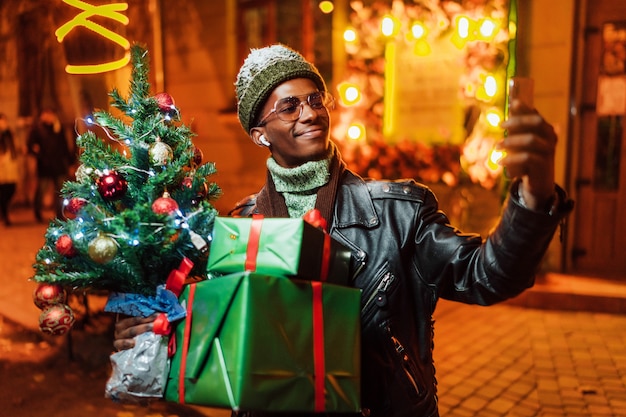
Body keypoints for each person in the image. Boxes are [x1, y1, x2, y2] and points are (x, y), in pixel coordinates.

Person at [114, 44, 573, 416]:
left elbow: (487, 275)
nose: (310, 113)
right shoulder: (243, 223)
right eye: (289, 106)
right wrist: (155, 330)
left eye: (316, 99)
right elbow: (223, 331)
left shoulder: (399, 211)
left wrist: (532, 196)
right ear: (259, 133)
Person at [27, 108, 75, 222]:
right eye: (46, 114)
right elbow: (30, 146)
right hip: (44, 165)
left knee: (60, 190)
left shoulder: (58, 128)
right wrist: (39, 154)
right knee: (42, 189)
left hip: (58, 164)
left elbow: (64, 146)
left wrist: (70, 162)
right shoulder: (37, 130)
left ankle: (59, 212)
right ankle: (37, 211)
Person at [0, 113, 19, 226]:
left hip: (10, 164)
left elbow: (14, 146)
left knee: (12, 188)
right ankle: (5, 215)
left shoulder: (9, 133)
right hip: (1, 166)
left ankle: (4, 209)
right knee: (2, 190)